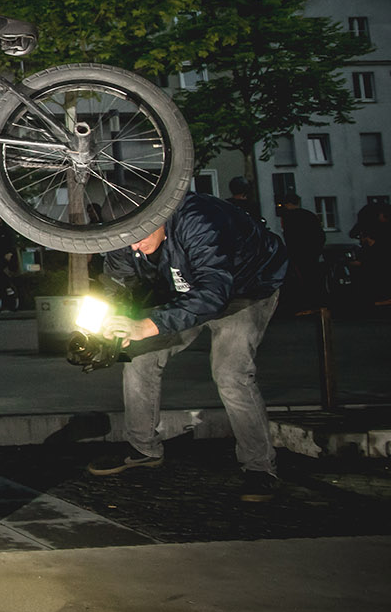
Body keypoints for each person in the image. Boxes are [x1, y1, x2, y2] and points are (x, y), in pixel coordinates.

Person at [86, 192, 289, 502]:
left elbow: (213, 294)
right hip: (184, 289)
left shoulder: (199, 220)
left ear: (158, 215)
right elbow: (118, 286)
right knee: (139, 358)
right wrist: (110, 329)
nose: (133, 247)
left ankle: (260, 468)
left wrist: (146, 325)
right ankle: (143, 448)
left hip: (244, 288)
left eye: (138, 237)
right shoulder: (125, 239)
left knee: (230, 372)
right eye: (124, 240)